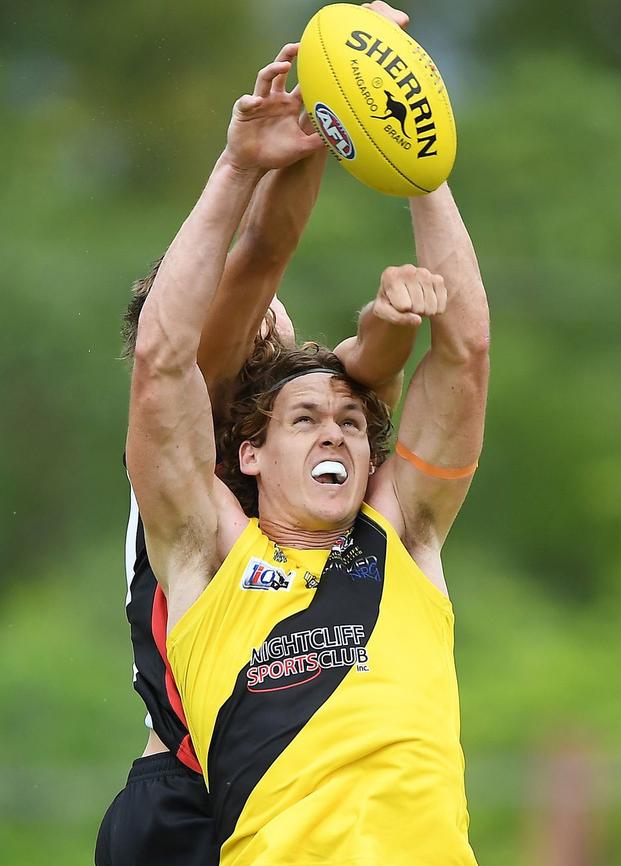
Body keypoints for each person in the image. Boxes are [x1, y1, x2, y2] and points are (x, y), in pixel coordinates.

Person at [127, 27, 489, 866]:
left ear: (371, 459)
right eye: (303, 419)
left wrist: (420, 166)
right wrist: (236, 166)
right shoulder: (205, 552)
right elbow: (162, 360)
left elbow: (463, 353)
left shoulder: (404, 536)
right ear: (246, 455)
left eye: (352, 424)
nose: (334, 429)